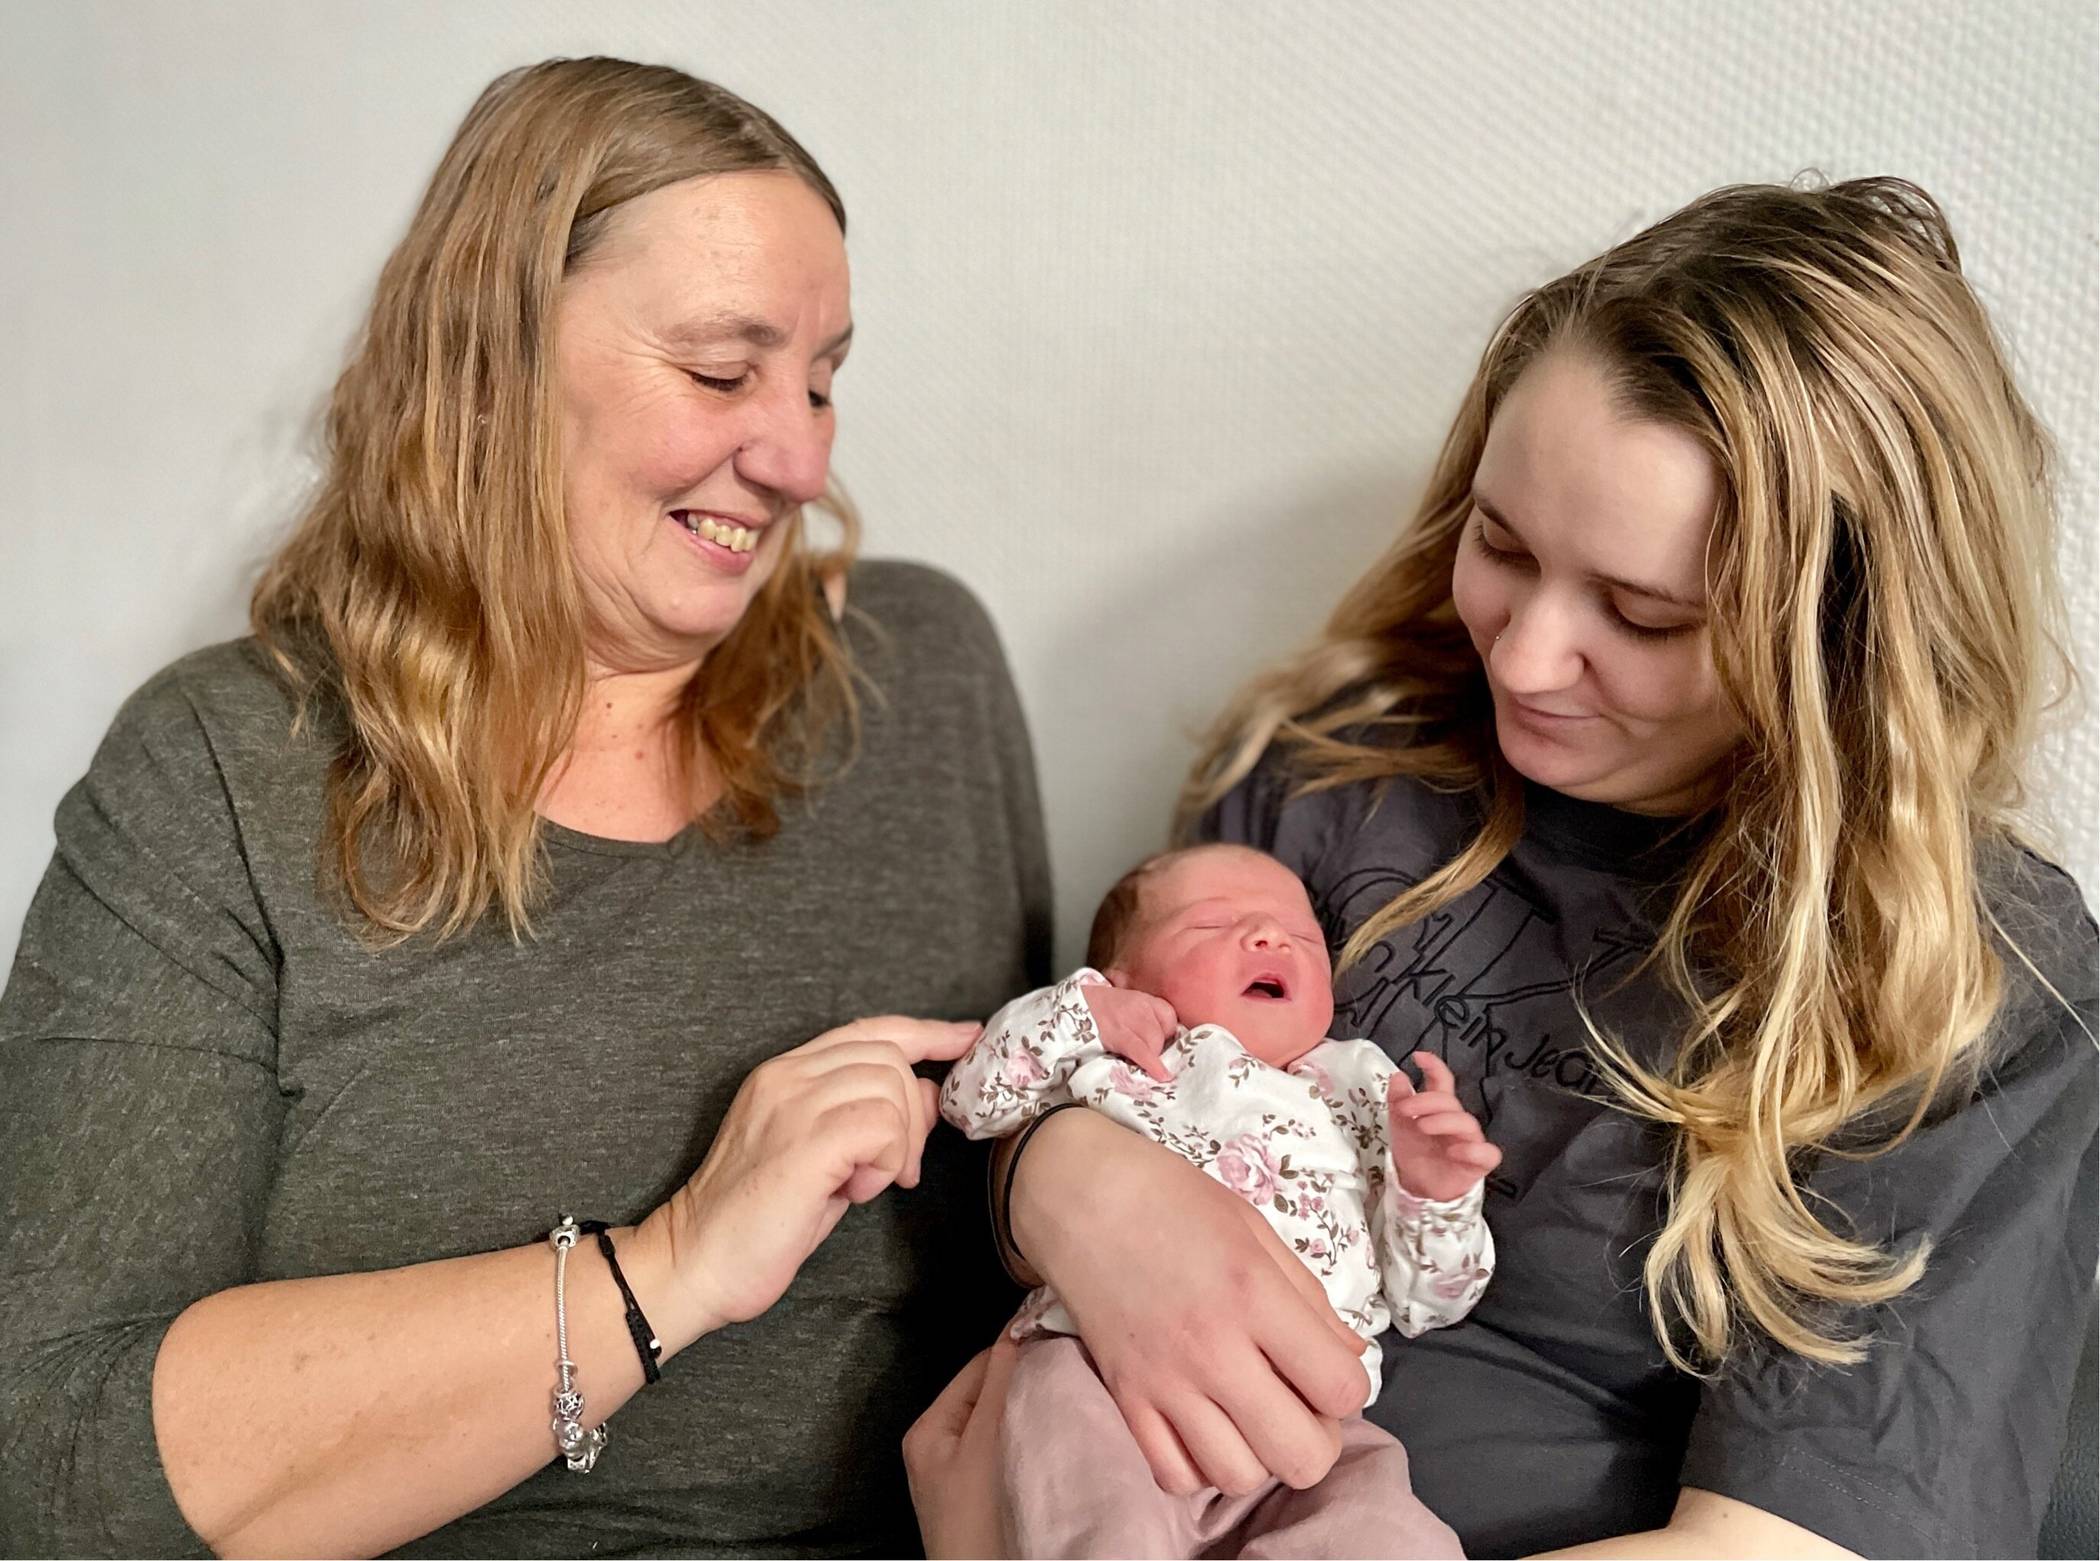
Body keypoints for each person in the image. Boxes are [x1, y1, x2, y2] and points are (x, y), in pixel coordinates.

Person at [907, 176, 2098, 1559]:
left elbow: (1788, 1543)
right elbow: (1098, 1074)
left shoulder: (1958, 974)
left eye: (1642, 615)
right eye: (1503, 545)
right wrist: (1066, 1178)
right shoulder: (1338, 770)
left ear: (1842, 643)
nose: (1525, 659)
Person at [0, 57, 1049, 1558]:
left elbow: (1036, 1101)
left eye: (821, 376)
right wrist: (668, 1264)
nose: (802, 456)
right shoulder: (217, 772)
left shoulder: (916, 674)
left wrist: (1089, 1178)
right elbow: (55, 1462)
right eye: (719, 369)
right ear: (489, 358)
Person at [940, 842, 1496, 1557]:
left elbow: (1430, 1305)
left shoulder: (1362, 1089)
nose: (1268, 935)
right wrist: (1085, 1016)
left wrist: (1433, 1194)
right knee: (1104, 1520)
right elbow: (971, 1100)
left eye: (1299, 935)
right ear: (1124, 977)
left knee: (1391, 1532)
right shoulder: (1117, 1056)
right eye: (1212, 923)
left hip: (1309, 1412)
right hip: (1097, 1368)